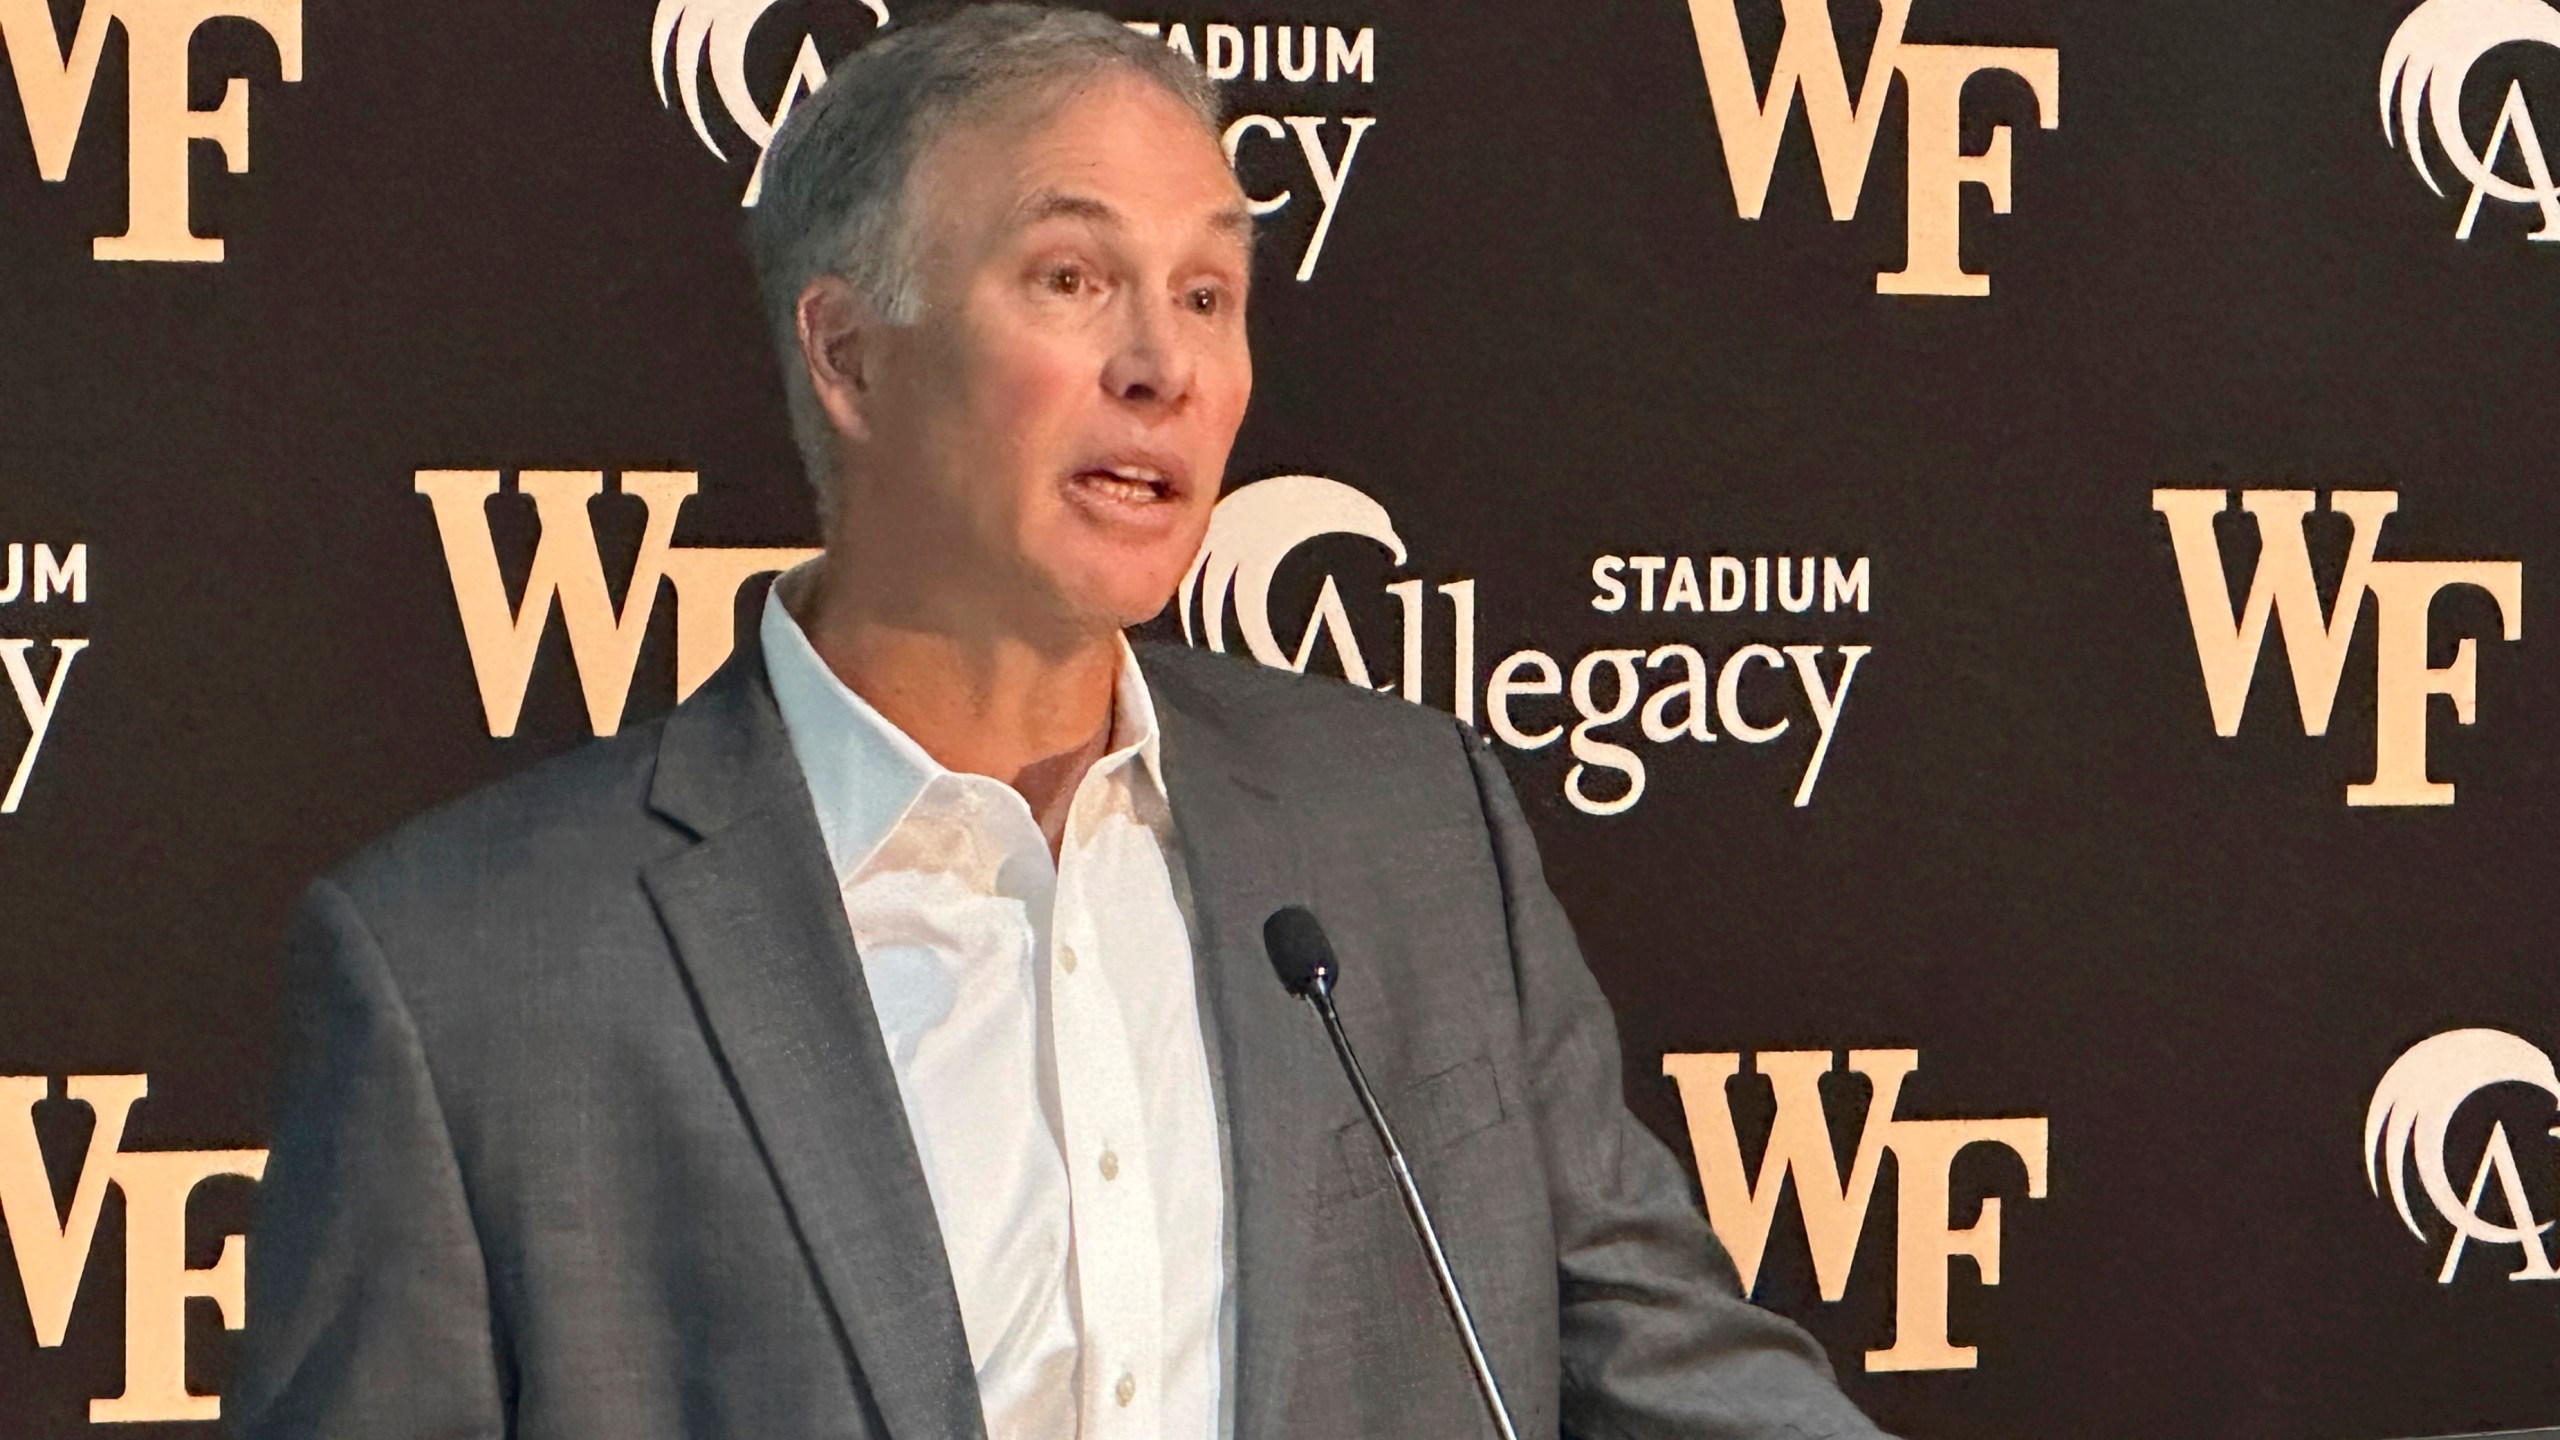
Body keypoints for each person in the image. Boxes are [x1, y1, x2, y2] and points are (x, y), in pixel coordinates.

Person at [228, 6, 1894, 1438]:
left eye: (1212, 294)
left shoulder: (1408, 834)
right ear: (852, 359)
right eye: (1074, 277)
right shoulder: (469, 977)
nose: (1164, 367)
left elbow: (1672, 1373)